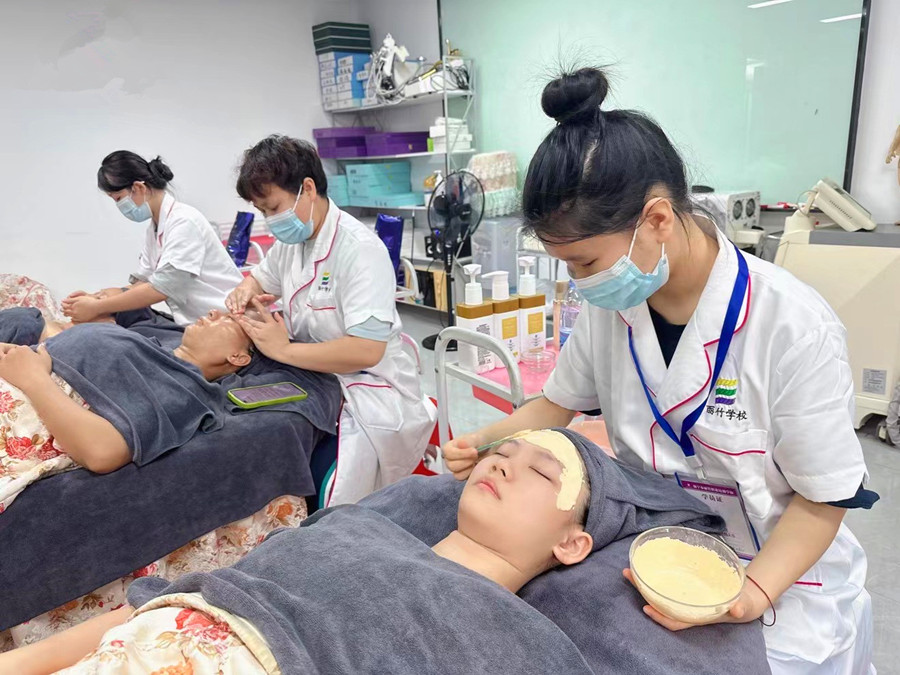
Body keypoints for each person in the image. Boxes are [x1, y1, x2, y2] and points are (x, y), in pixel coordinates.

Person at [442, 68, 875, 674]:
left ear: (658, 220)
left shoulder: (793, 328)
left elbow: (823, 499)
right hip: (657, 559)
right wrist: (486, 441)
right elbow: (556, 405)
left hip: (781, 581)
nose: (580, 282)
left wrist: (749, 596)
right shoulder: (613, 308)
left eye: (585, 261)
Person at [0, 431, 595, 675]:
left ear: (571, 544)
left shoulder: (525, 643)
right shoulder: (355, 525)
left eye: (542, 473)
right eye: (502, 453)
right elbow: (173, 600)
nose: (502, 465)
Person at [225, 135, 435, 505]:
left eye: (273, 208)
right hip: (317, 377)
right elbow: (261, 278)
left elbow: (366, 351)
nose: (270, 221)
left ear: (307, 189)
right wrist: (246, 289)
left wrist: (282, 350)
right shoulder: (294, 242)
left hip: (369, 385)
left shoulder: (360, 251)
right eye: (262, 212)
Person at [0, 311, 252, 481]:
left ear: (238, 357)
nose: (213, 312)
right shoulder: (155, 349)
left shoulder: (186, 389)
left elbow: (102, 452)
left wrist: (34, 379)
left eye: (229, 320)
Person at [62, 151, 243, 326]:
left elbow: (163, 287)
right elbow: (145, 282)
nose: (118, 206)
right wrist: (96, 297)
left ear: (139, 188)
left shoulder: (184, 221)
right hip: (201, 322)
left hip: (227, 321)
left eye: (118, 199)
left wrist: (97, 307)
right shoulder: (154, 229)